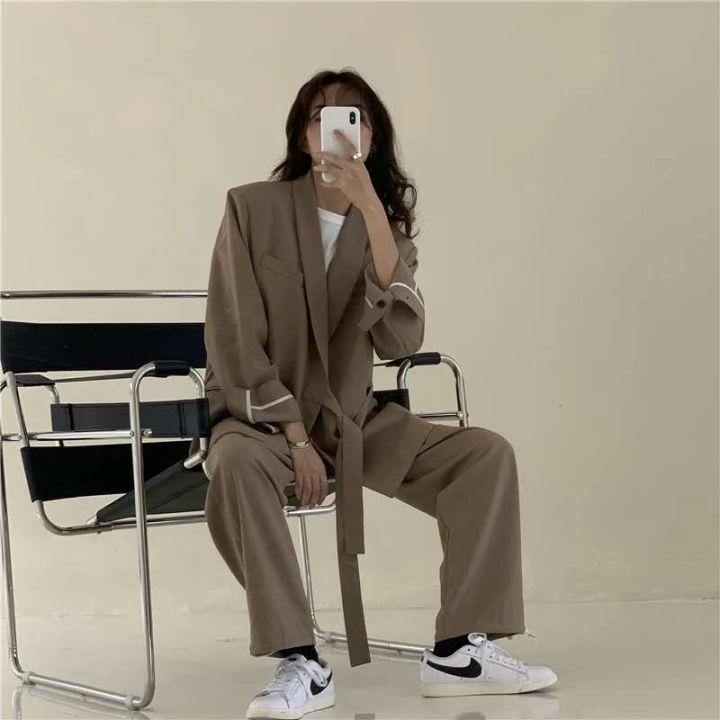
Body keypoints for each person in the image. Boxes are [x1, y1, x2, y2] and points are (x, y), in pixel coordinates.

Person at [197, 68, 558, 719]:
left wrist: (370, 211)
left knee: (484, 456)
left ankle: (459, 652)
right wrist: (294, 437)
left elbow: (401, 337)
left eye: (353, 117)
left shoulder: (385, 232)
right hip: (265, 426)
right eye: (319, 116)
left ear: (372, 137)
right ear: (302, 135)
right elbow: (235, 337)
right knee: (235, 463)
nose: (335, 129)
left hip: (353, 422)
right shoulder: (252, 209)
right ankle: (300, 659)